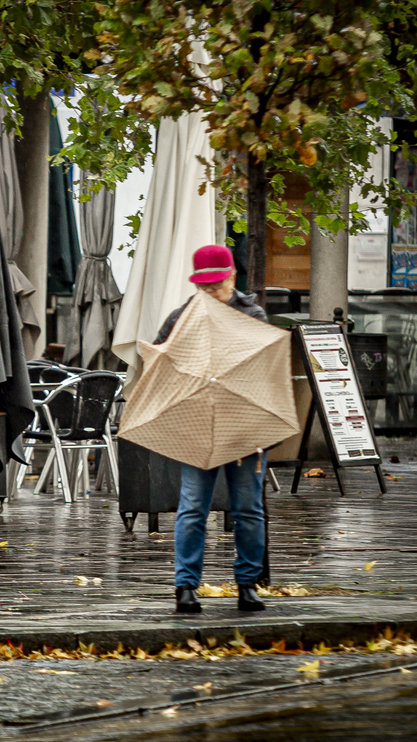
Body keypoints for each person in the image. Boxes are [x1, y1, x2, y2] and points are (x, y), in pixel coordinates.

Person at [154, 244, 269, 615]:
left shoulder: (253, 315)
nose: (209, 295)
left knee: (248, 510)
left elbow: (264, 372)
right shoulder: (181, 317)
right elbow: (161, 364)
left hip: (245, 428)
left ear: (232, 277)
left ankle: (248, 585)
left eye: (215, 287)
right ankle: (185, 586)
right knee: (192, 509)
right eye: (203, 288)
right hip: (198, 426)